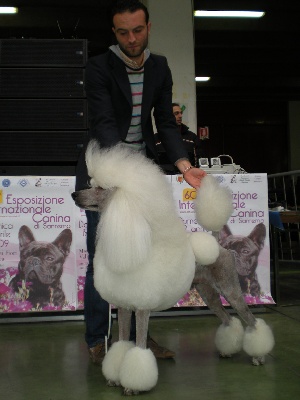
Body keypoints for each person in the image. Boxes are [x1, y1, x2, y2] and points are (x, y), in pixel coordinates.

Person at [75, 0, 206, 365]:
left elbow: (165, 121)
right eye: (123, 32)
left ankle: (139, 339)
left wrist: (183, 163)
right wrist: (126, 177)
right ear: (113, 33)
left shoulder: (160, 66)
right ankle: (98, 339)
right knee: (103, 261)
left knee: (143, 258)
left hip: (144, 175)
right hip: (107, 173)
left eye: (138, 30)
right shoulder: (99, 67)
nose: (132, 39)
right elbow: (103, 124)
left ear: (148, 26)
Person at [156, 103, 203, 174]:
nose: (180, 116)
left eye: (181, 113)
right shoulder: (156, 138)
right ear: (168, 116)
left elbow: (199, 161)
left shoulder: (192, 137)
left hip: (187, 178)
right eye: (176, 113)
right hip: (162, 178)